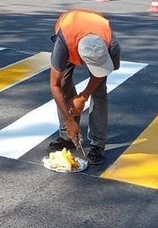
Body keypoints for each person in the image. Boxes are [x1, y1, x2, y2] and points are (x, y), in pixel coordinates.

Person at [49, 9, 121, 165]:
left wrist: (83, 96)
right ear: (80, 58)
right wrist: (69, 120)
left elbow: (100, 74)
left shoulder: (112, 45)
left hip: (95, 32)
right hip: (70, 32)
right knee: (63, 83)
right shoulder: (63, 45)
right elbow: (54, 85)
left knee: (99, 91)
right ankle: (67, 136)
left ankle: (97, 145)